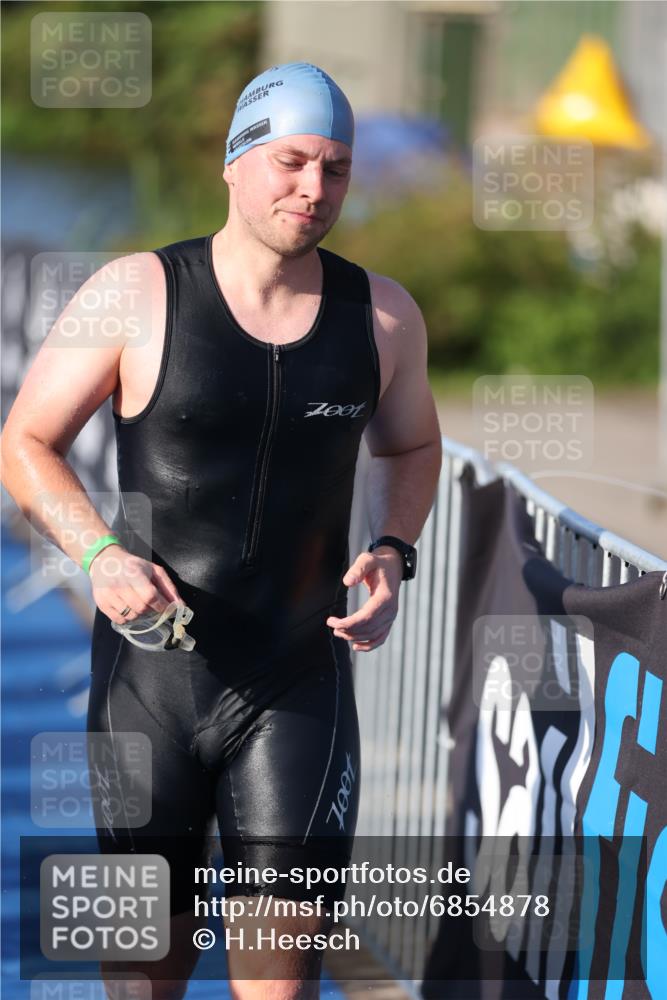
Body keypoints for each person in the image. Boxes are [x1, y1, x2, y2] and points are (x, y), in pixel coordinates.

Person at [1, 62, 442, 999]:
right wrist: (99, 553)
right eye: (290, 162)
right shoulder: (138, 293)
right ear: (236, 162)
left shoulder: (386, 316)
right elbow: (25, 443)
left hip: (299, 679)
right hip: (152, 682)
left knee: (282, 981)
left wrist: (395, 553)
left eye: (335, 169)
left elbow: (414, 448)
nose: (312, 190)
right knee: (143, 977)